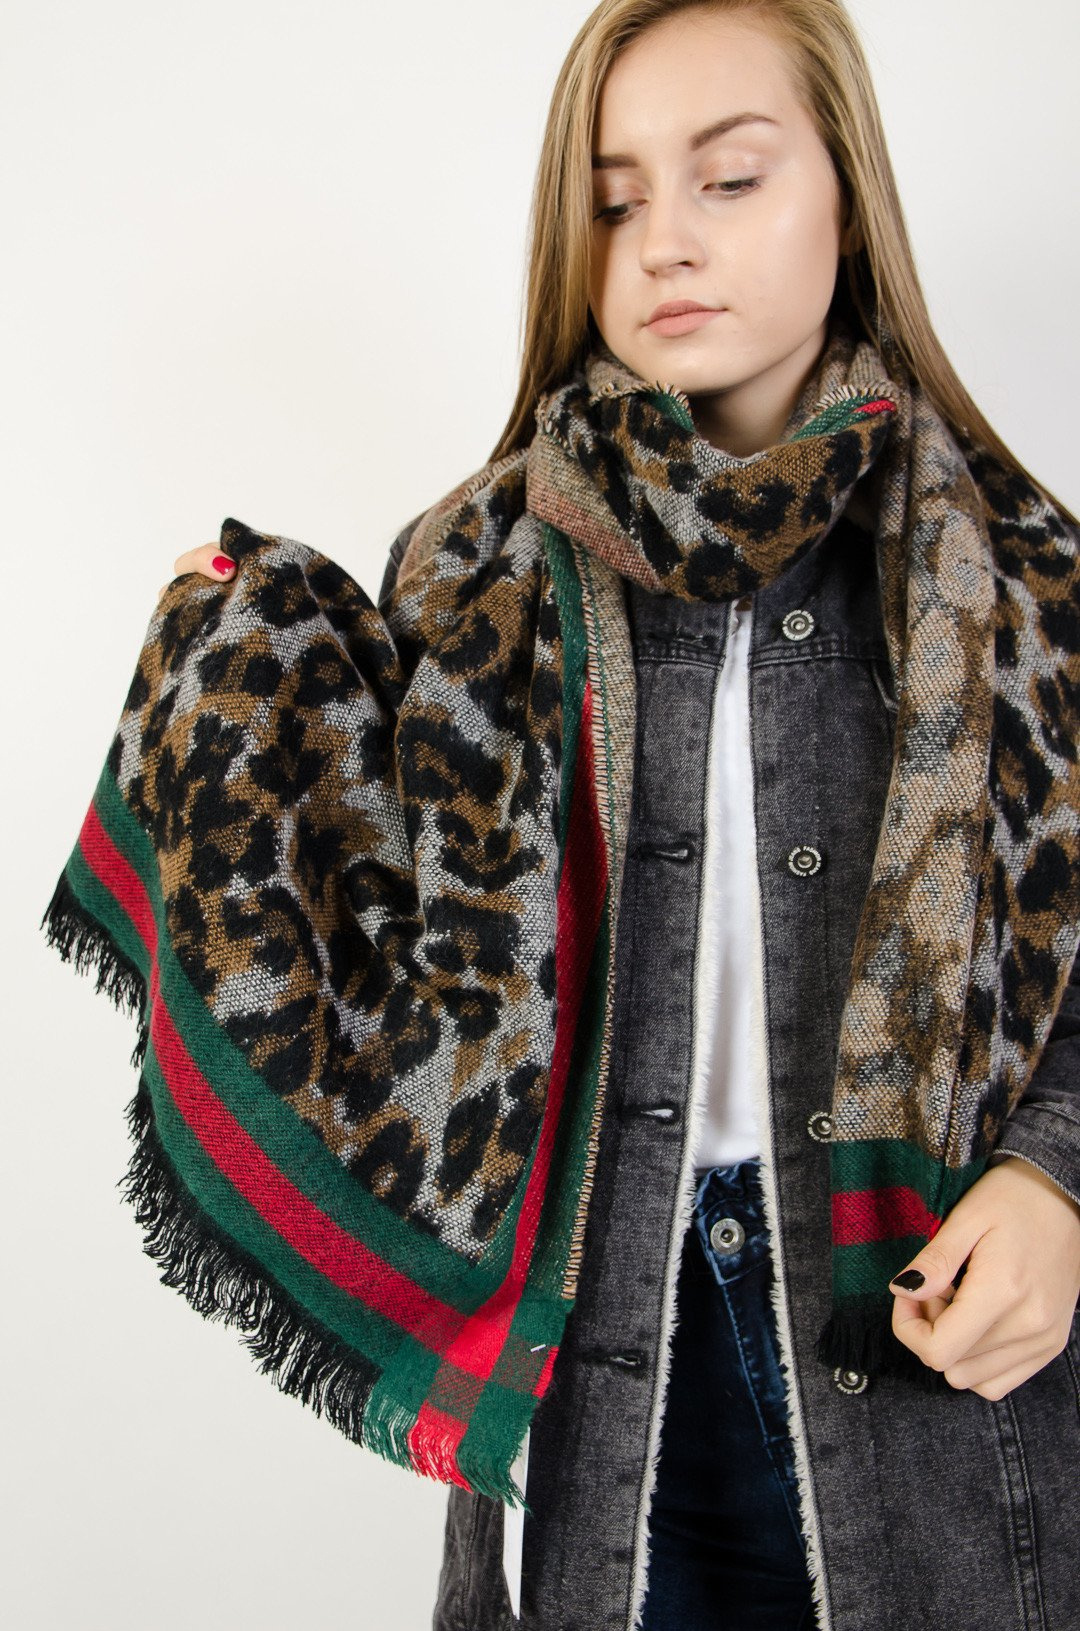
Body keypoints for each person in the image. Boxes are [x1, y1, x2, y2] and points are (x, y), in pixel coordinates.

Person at [152, 3, 1080, 1628]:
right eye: (613, 198)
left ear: (847, 200)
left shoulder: (1016, 580)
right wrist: (246, 674)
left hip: (923, 1366)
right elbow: (379, 963)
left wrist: (1058, 1179)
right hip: (600, 1384)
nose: (664, 242)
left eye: (731, 178)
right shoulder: (473, 577)